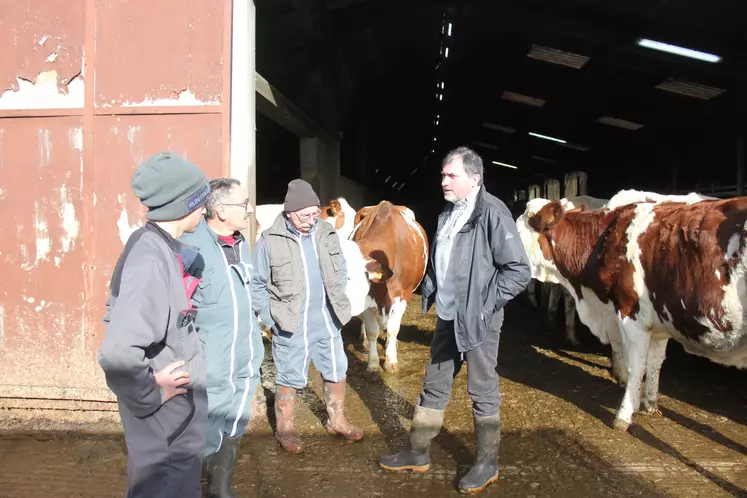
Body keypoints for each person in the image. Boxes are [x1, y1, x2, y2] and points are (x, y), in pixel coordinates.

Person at [378, 146, 531, 494]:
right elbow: (445, 260)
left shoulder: (492, 213)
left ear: (474, 179)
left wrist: (485, 304)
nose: (443, 181)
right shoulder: (448, 213)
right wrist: (431, 285)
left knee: (482, 389)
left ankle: (487, 462)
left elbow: (519, 271)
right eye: (443, 174)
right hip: (448, 316)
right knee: (434, 381)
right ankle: (417, 452)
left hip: (479, 318)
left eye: (451, 175)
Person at [98, 152, 211, 498]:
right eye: (200, 202)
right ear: (182, 204)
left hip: (173, 429)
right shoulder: (150, 259)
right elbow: (118, 353)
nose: (205, 210)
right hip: (167, 432)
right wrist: (151, 392)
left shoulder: (159, 247)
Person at [251, 179, 362, 454]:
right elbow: (256, 284)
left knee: (337, 368)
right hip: (291, 322)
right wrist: (270, 318)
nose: (312, 220)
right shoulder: (269, 240)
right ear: (289, 212)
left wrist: (340, 299)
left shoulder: (326, 232)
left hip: (327, 320)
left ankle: (337, 419)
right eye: (305, 215)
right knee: (289, 374)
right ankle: (285, 429)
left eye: (315, 213)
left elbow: (341, 267)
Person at [180, 178, 264, 498]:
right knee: (201, 425)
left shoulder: (240, 244)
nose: (250, 209)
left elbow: (250, 292)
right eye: (244, 204)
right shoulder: (192, 248)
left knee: (236, 417)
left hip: (244, 356)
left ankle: (220, 488)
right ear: (220, 210)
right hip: (209, 361)